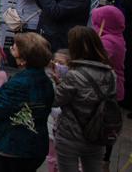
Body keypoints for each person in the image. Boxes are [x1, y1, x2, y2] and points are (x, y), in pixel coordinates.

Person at [0, 32, 55, 172]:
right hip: (36, 146)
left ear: (23, 59)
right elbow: (13, 101)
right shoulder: (45, 81)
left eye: (15, 47)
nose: (11, 48)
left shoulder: (20, 82)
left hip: (14, 146)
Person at [51, 26, 119, 172]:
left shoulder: (74, 75)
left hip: (71, 135)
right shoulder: (111, 74)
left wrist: (58, 83)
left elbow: (56, 100)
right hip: (98, 133)